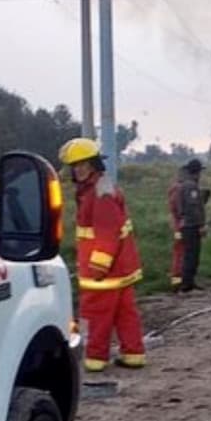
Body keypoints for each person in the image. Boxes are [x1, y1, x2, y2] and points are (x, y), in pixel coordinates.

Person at [58, 137, 146, 372]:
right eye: (75, 166)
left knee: (93, 315)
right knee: (125, 314)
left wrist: (99, 267)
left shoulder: (98, 193)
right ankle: (133, 354)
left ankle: (94, 358)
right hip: (121, 269)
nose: (78, 170)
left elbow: (108, 232)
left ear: (94, 164)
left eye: (83, 165)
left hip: (104, 273)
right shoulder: (101, 187)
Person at [174, 158, 208, 292]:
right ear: (197, 172)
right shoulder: (190, 186)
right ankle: (187, 284)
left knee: (191, 255)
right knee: (191, 255)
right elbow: (193, 208)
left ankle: (189, 282)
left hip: (188, 225)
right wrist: (201, 225)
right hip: (191, 226)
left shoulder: (185, 185)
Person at [166, 168, 184, 291]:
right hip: (181, 227)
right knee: (180, 253)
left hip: (179, 226)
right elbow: (177, 208)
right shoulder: (178, 189)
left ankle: (179, 280)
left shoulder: (176, 188)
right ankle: (177, 281)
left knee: (182, 254)